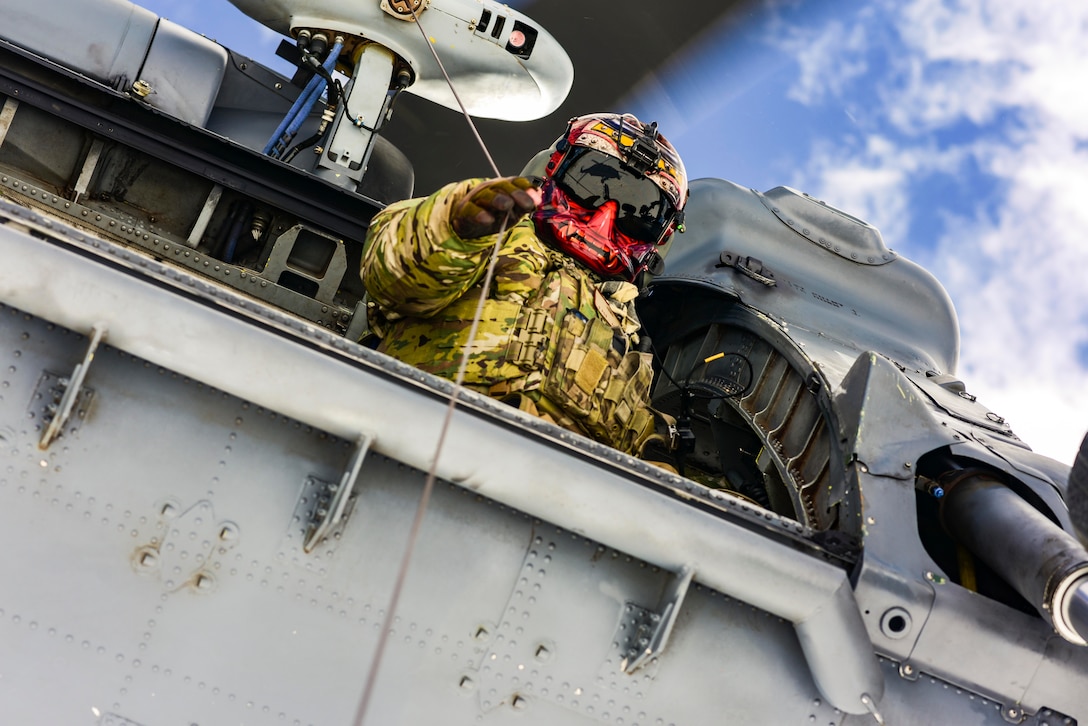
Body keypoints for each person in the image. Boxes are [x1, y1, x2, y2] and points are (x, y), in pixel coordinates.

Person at [360, 112, 688, 456]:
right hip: (412, 433)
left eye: (638, 214)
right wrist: (456, 226)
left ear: (661, 236)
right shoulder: (491, 235)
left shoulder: (638, 344)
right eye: (588, 185)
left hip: (548, 490)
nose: (602, 218)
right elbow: (392, 272)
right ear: (553, 169)